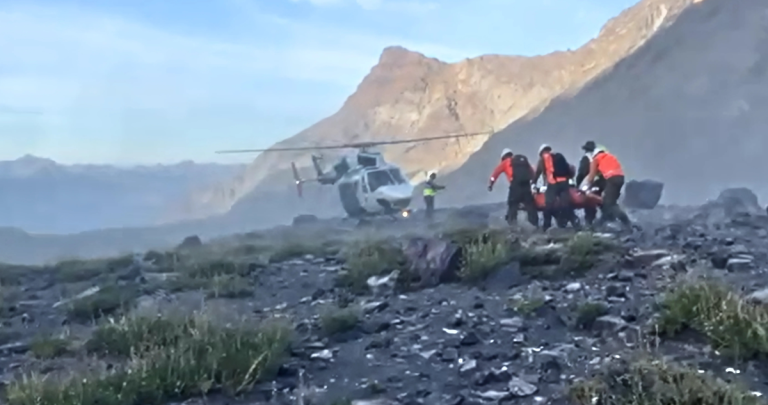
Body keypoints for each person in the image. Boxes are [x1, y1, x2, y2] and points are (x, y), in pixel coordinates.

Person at [580, 141, 632, 228]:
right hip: (620, 178)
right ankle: (606, 219)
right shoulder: (608, 156)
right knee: (609, 200)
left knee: (608, 203)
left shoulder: (595, 159)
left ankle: (626, 222)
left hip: (611, 179)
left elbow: (591, 176)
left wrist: (585, 187)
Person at [488, 148, 538, 227]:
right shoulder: (522, 162)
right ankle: (535, 225)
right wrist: (533, 183)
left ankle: (512, 226)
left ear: (503, 157)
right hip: (526, 186)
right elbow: (532, 172)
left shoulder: (505, 163)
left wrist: (491, 184)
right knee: (530, 205)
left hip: (515, 187)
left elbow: (495, 173)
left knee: (512, 205)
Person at [534, 144, 580, 231]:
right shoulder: (559, 156)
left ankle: (546, 227)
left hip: (553, 184)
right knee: (566, 204)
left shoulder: (543, 159)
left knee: (548, 204)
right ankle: (575, 222)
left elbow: (537, 173)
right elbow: (569, 169)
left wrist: (533, 184)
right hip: (564, 183)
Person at [576, 150, 606, 226]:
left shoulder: (586, 158)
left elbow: (581, 173)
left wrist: (578, 185)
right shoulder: (601, 158)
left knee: (589, 203)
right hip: (600, 183)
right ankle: (606, 219)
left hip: (590, 183)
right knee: (601, 203)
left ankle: (589, 222)